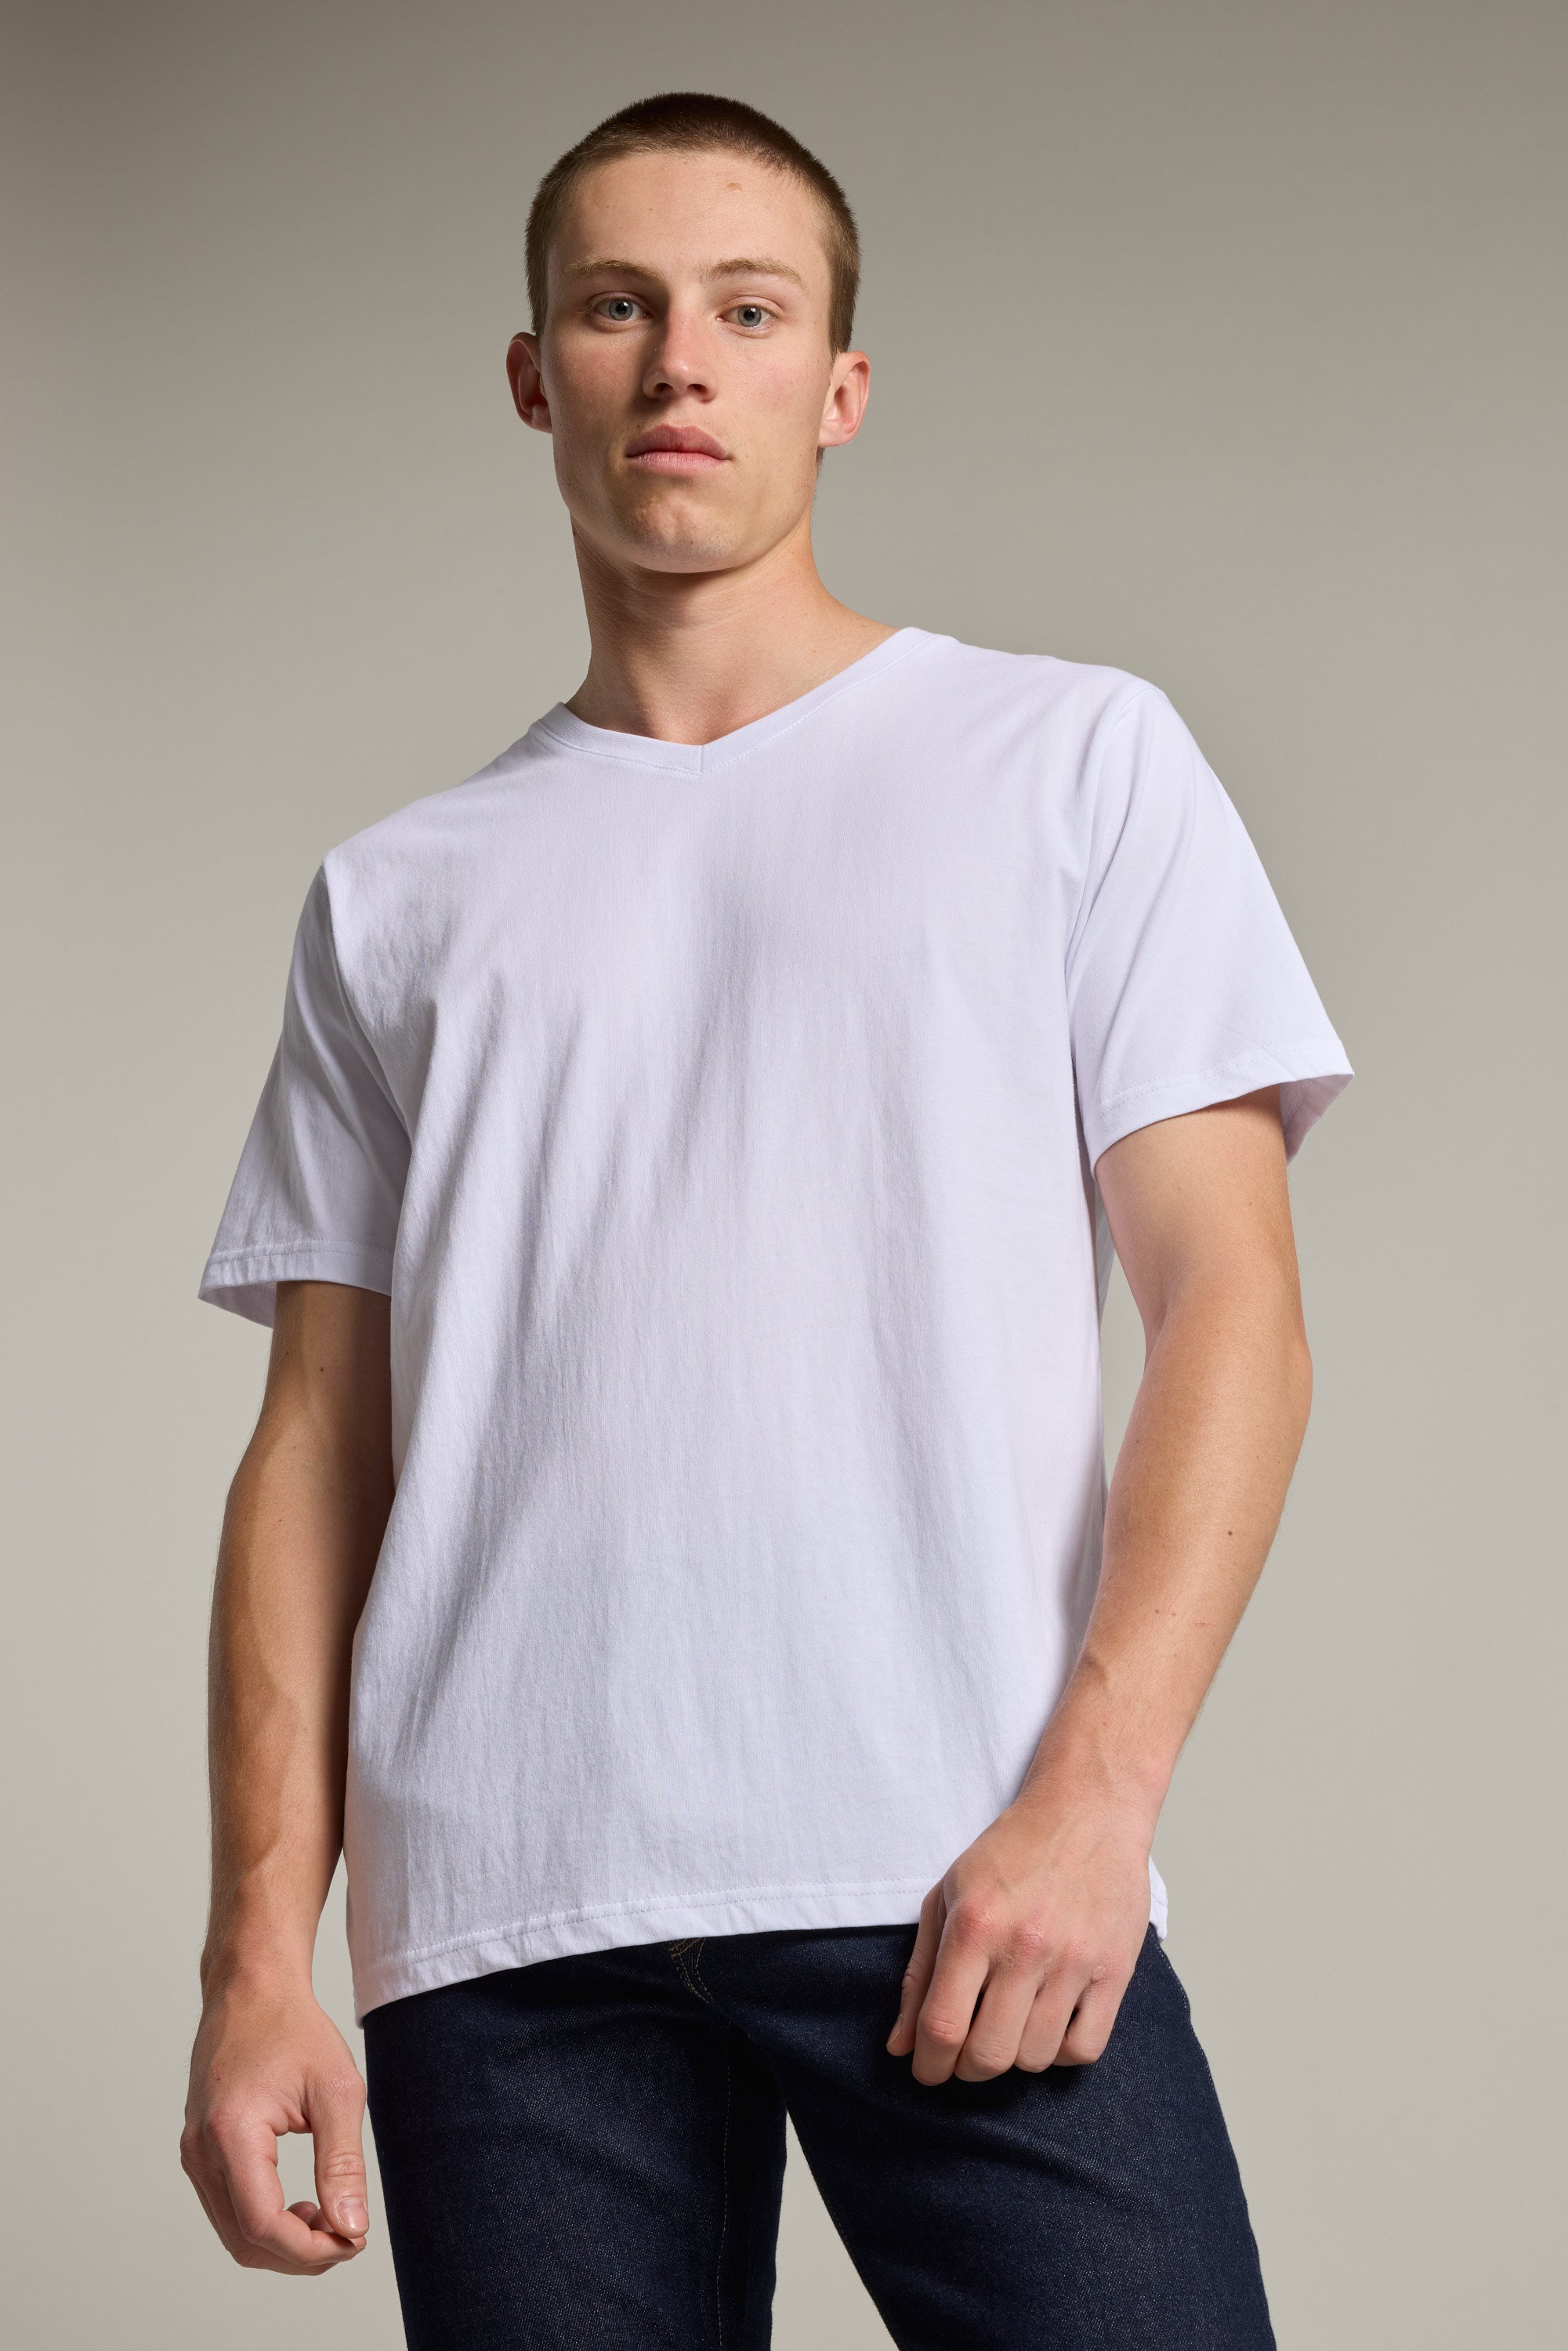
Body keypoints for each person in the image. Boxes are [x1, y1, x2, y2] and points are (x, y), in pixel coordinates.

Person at [180, 89, 1352, 2349]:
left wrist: (1093, 1802)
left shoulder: (1068, 763)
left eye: (745, 308)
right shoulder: (397, 897)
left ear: (838, 386)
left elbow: (1235, 1311)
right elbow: (318, 1447)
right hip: (503, 1938)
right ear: (537, 370)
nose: (677, 362)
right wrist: (257, 1960)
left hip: (956, 1863)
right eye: (615, 306)